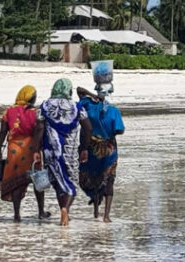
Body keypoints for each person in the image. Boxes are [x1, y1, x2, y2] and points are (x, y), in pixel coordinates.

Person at [0, 85, 48, 222]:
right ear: (31, 98)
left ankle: (17, 215)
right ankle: (41, 212)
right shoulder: (36, 112)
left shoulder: (8, 112)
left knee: (17, 182)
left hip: (14, 150)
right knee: (37, 180)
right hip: (31, 149)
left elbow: (2, 133)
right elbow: (40, 131)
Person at [40, 78, 91, 227]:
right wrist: (84, 148)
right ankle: (65, 209)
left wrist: (37, 149)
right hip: (69, 152)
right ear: (69, 90)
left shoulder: (44, 106)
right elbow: (88, 128)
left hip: (50, 152)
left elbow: (38, 128)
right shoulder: (77, 108)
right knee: (71, 182)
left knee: (57, 181)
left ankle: (63, 210)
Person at [77, 65, 125, 222]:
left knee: (93, 178)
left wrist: (92, 95)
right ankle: (106, 216)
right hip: (109, 151)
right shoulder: (113, 111)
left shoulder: (87, 105)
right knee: (109, 180)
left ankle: (96, 211)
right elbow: (119, 130)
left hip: (90, 148)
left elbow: (79, 90)